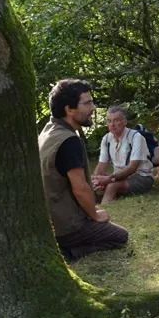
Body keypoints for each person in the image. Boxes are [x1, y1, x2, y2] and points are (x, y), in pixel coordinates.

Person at [38, 79, 128, 261]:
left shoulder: (47, 131)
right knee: (120, 236)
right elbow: (79, 188)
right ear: (69, 109)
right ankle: (68, 252)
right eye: (87, 103)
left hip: (48, 220)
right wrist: (94, 214)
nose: (93, 108)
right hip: (66, 225)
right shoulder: (68, 141)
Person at [92, 106, 155, 203]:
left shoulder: (136, 137)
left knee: (112, 186)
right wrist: (97, 180)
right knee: (90, 181)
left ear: (125, 122)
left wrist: (109, 179)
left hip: (141, 176)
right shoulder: (106, 139)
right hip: (118, 177)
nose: (112, 124)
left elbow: (132, 168)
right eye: (109, 121)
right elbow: (101, 165)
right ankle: (92, 207)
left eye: (116, 120)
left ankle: (106, 210)